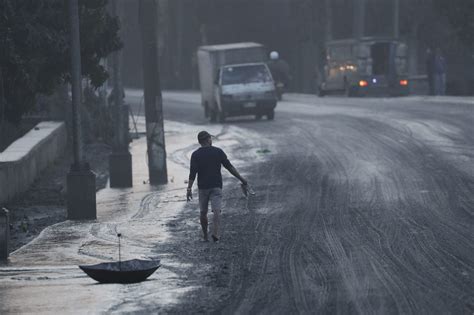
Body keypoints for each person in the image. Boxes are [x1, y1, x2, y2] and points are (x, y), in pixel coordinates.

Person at [187, 131, 248, 242]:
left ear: (200, 142)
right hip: (216, 185)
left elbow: (192, 173)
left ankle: (205, 236)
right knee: (216, 210)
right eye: (210, 138)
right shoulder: (218, 152)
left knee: (203, 212)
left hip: (203, 187)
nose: (211, 140)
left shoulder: (195, 155)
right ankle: (216, 233)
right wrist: (242, 179)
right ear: (207, 140)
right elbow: (230, 167)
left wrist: (189, 188)